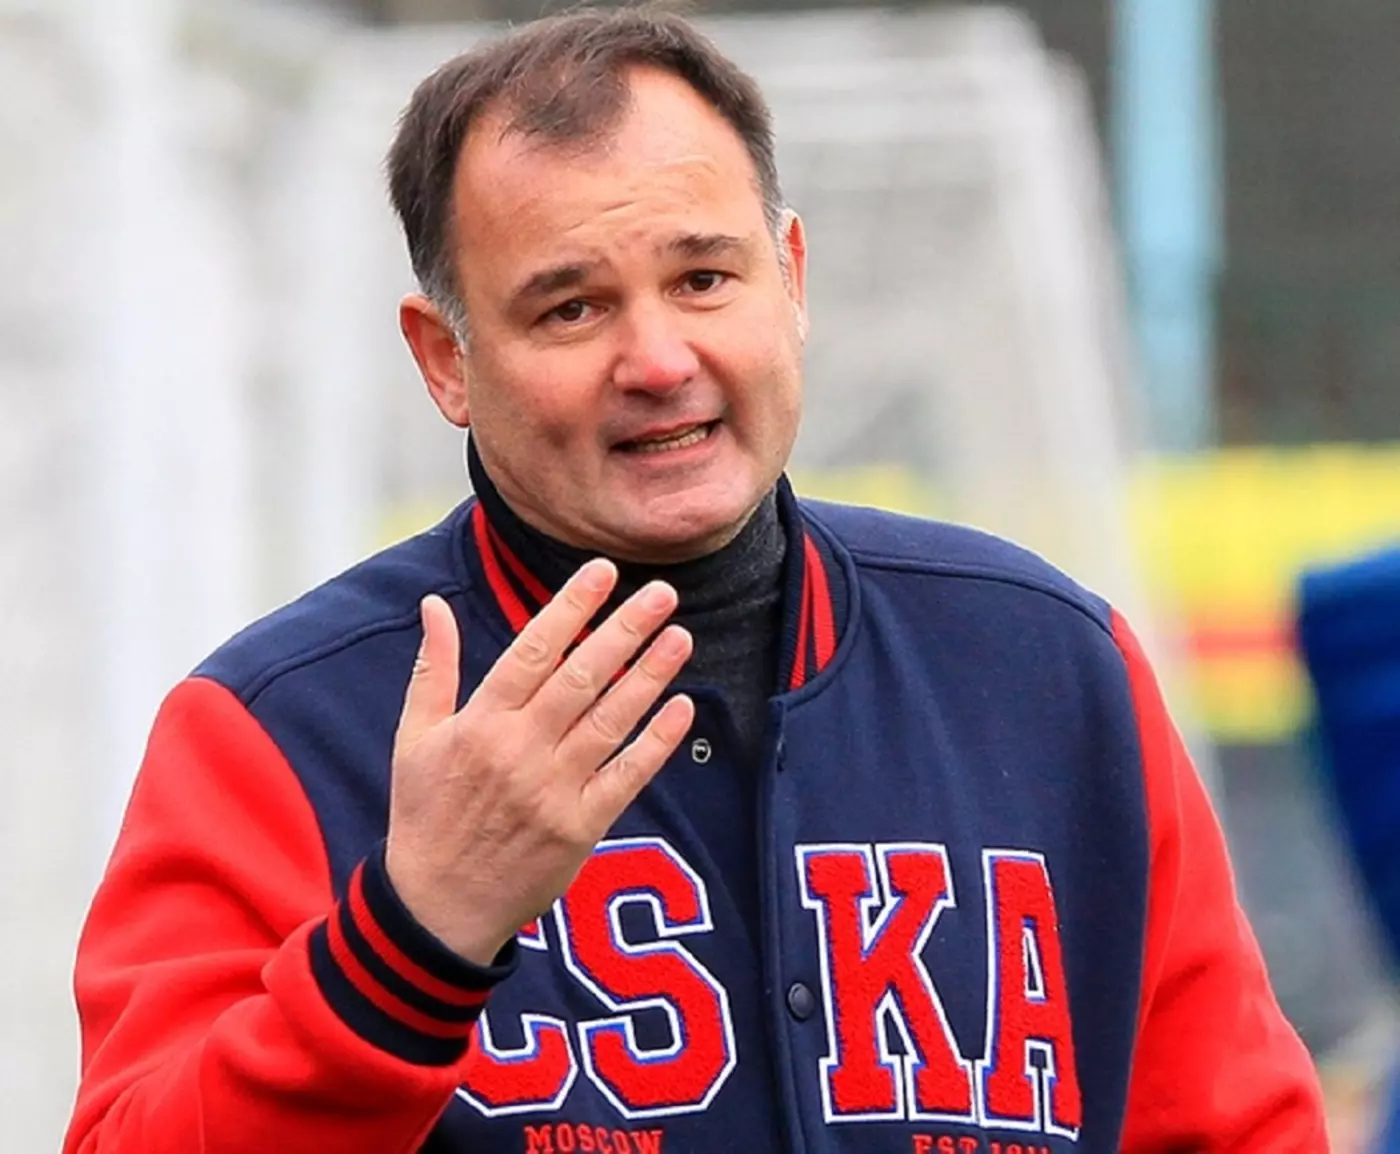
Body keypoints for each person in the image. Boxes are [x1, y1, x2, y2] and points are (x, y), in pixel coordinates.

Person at [64, 8, 1327, 1152]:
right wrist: (410, 936)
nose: (658, 358)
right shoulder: (278, 731)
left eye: (703, 279)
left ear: (792, 280)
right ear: (445, 359)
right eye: (570, 307)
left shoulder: (1047, 665)